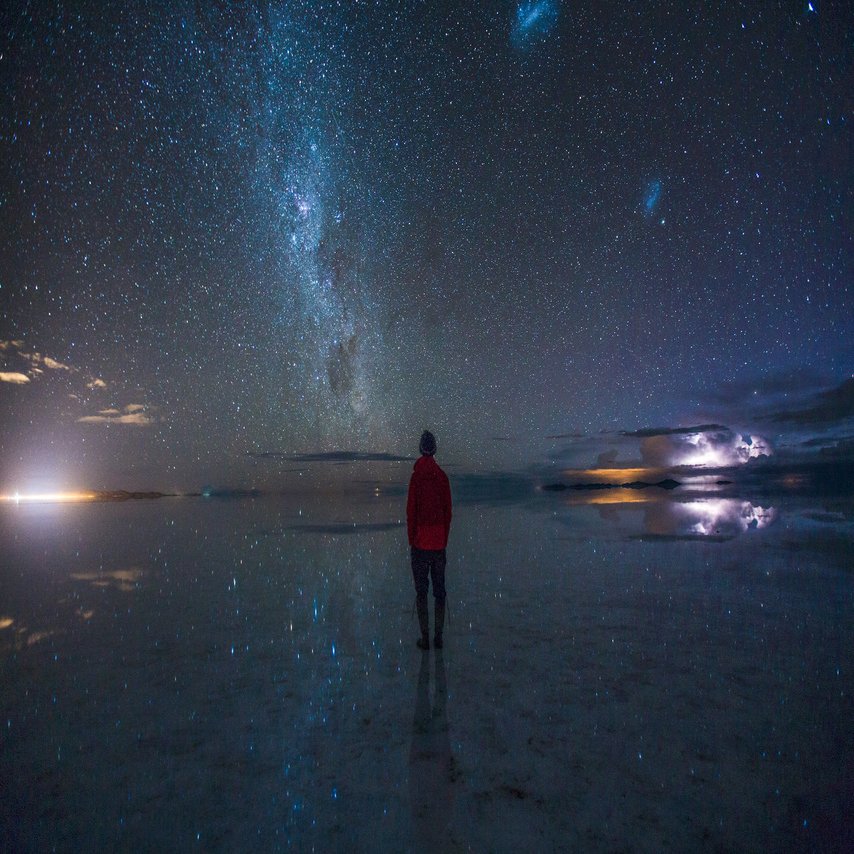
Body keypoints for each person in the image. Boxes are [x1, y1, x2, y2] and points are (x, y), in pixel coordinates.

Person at [407, 430, 452, 650]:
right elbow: (448, 512)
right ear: (434, 449)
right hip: (438, 544)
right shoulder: (442, 477)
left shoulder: (416, 477)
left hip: (420, 544)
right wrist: (443, 539)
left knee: (422, 591)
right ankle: (438, 637)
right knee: (439, 591)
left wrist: (412, 540)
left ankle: (426, 638)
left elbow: (411, 512)